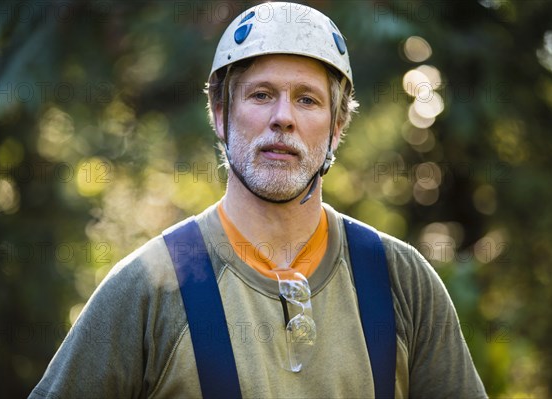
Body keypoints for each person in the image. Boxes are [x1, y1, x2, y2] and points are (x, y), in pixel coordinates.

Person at [30, 2, 487, 398]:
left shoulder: (402, 282)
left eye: (307, 100)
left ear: (337, 126)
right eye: (261, 95)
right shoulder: (149, 286)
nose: (282, 118)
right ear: (220, 114)